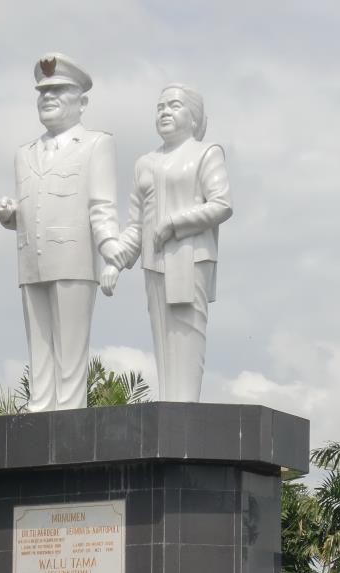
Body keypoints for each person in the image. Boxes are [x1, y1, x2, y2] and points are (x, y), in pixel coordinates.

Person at [0, 53, 127, 412]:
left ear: (81, 102)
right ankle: (41, 407)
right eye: (43, 93)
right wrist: (11, 216)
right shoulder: (25, 153)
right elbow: (33, 208)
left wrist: (112, 250)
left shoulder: (97, 144)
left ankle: (68, 409)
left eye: (59, 91)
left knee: (69, 345)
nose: (48, 98)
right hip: (31, 258)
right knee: (39, 344)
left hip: (73, 256)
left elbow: (101, 205)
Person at [101, 84, 232, 402]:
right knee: (163, 335)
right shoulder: (145, 163)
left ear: (193, 116)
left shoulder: (205, 153)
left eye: (174, 105)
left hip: (190, 256)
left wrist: (174, 223)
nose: (165, 112)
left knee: (188, 333)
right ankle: (170, 404)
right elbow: (135, 225)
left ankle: (185, 405)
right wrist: (115, 262)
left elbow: (221, 204)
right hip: (154, 262)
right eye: (160, 107)